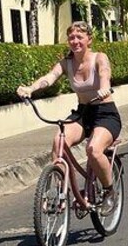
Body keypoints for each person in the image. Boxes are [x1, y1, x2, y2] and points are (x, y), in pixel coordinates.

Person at [16, 21, 120, 215]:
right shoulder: (66, 63)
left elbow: (105, 73)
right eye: (71, 37)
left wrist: (104, 87)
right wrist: (30, 88)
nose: (75, 41)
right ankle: (58, 192)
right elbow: (50, 77)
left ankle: (109, 191)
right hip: (82, 113)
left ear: (89, 39)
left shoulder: (99, 57)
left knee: (94, 150)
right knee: (59, 141)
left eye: (79, 37)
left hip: (105, 113)